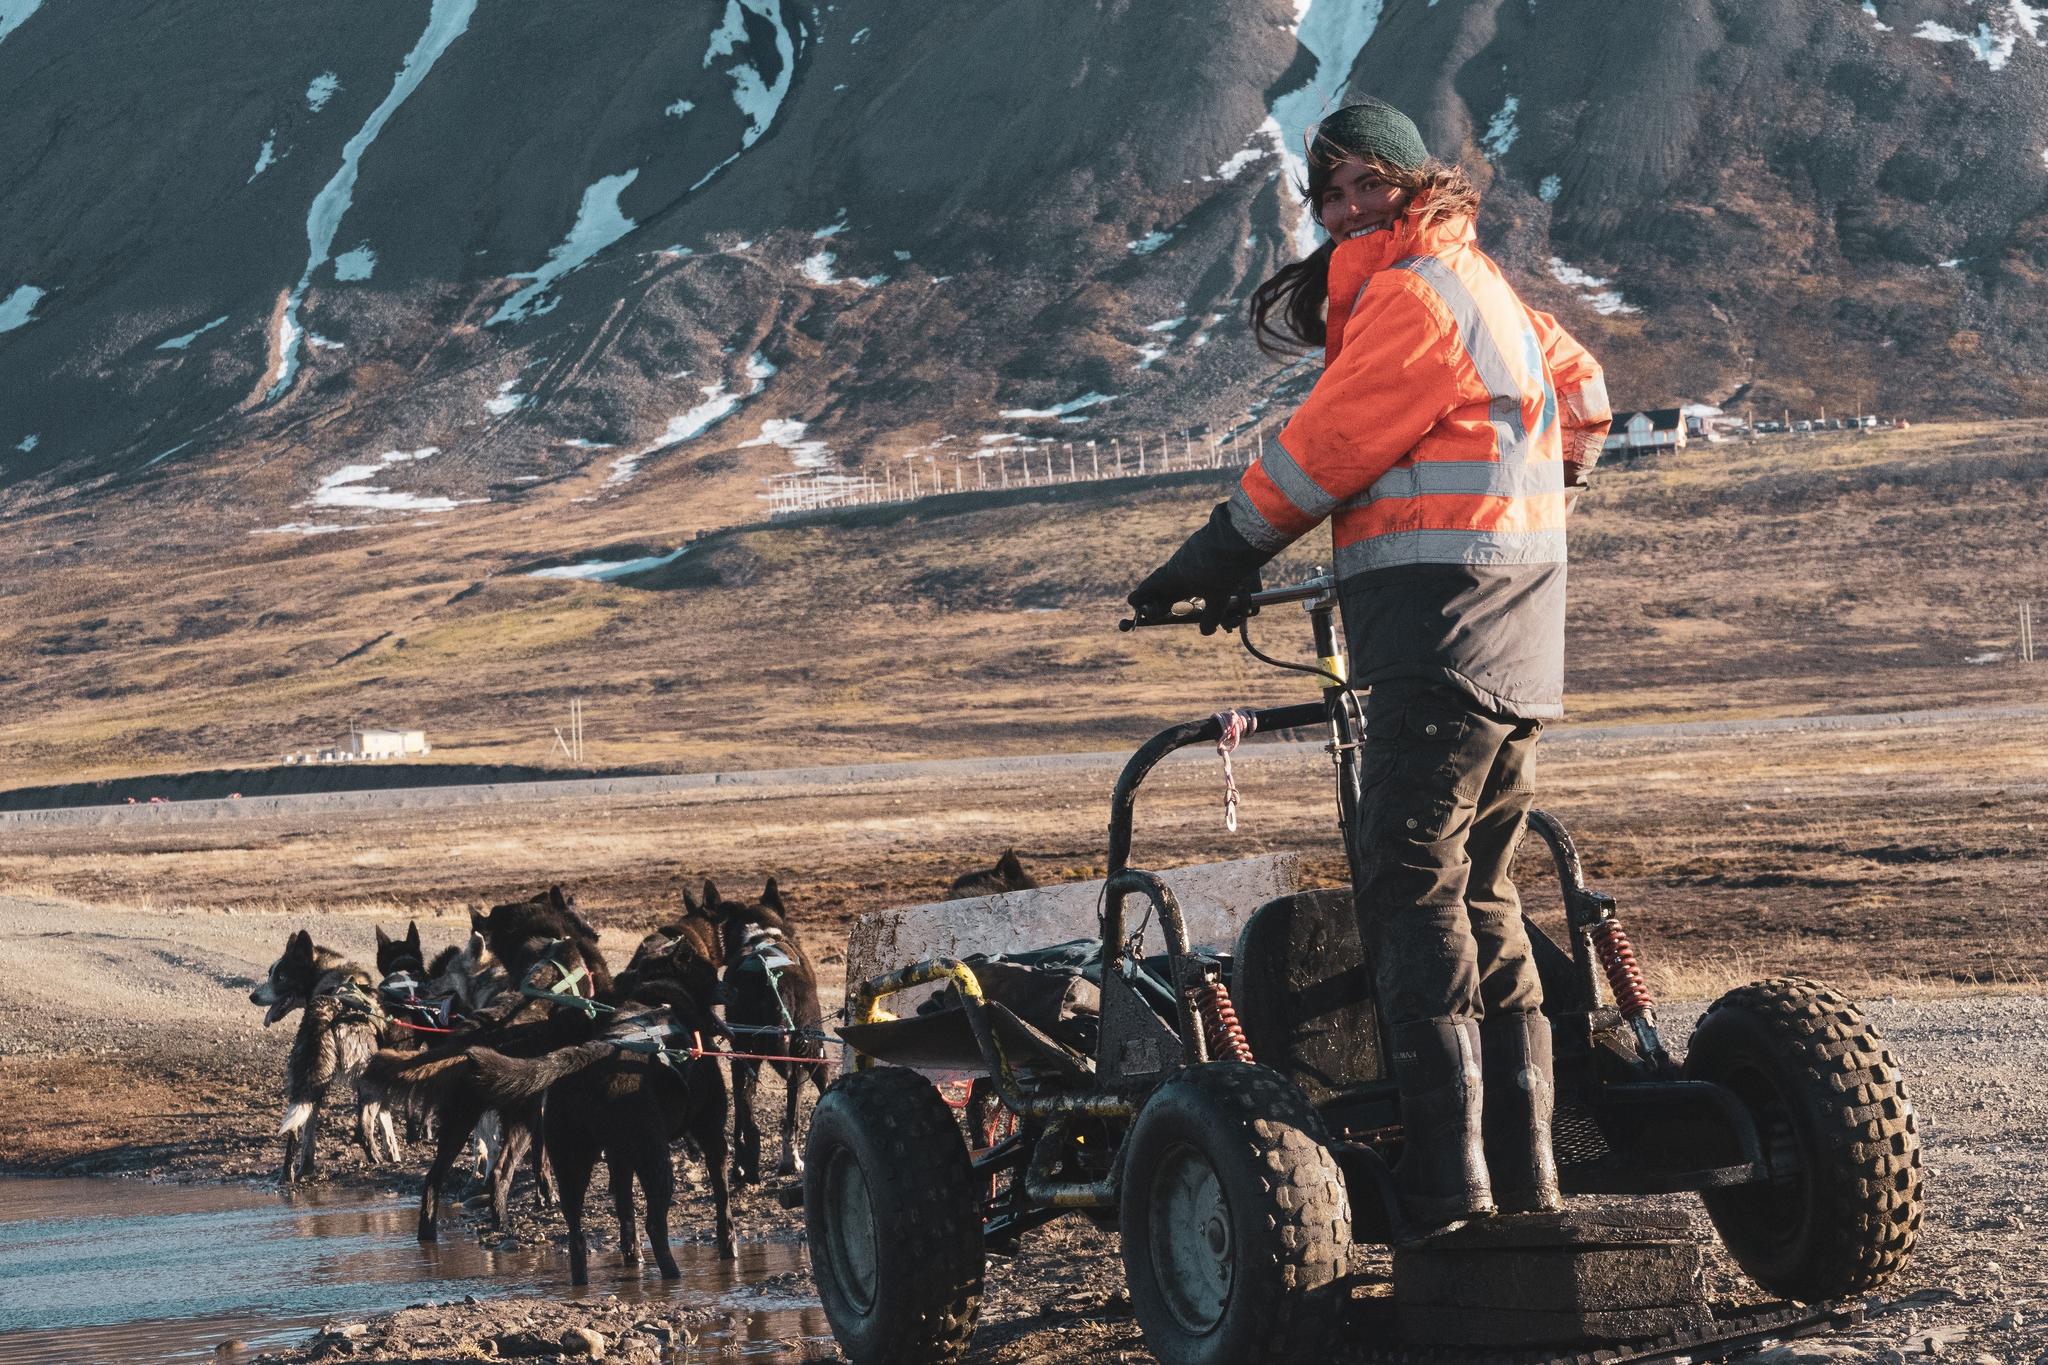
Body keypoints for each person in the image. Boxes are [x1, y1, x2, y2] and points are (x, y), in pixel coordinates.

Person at [1126, 100, 1613, 1238]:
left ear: (1413, 181)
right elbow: (1583, 390)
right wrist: (1542, 487)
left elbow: (1326, 447)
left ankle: (1449, 1187)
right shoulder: (1479, 286)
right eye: (1328, 193)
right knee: (1479, 889)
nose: (1346, 210)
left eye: (1364, 186)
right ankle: (1524, 1176)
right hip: (1510, 632)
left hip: (1438, 632)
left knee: (1406, 887)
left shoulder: (1413, 296)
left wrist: (1214, 556)